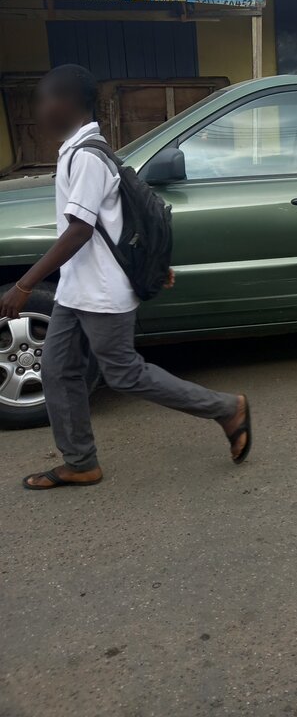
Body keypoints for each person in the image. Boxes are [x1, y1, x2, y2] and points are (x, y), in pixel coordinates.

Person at [0, 64, 251, 489]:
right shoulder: (75, 151)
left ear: (69, 103)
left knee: (124, 373)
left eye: (44, 99)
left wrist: (25, 285)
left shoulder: (88, 157)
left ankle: (227, 408)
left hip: (101, 293)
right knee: (59, 373)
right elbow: (121, 221)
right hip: (76, 290)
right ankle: (80, 462)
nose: (39, 108)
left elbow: (80, 230)